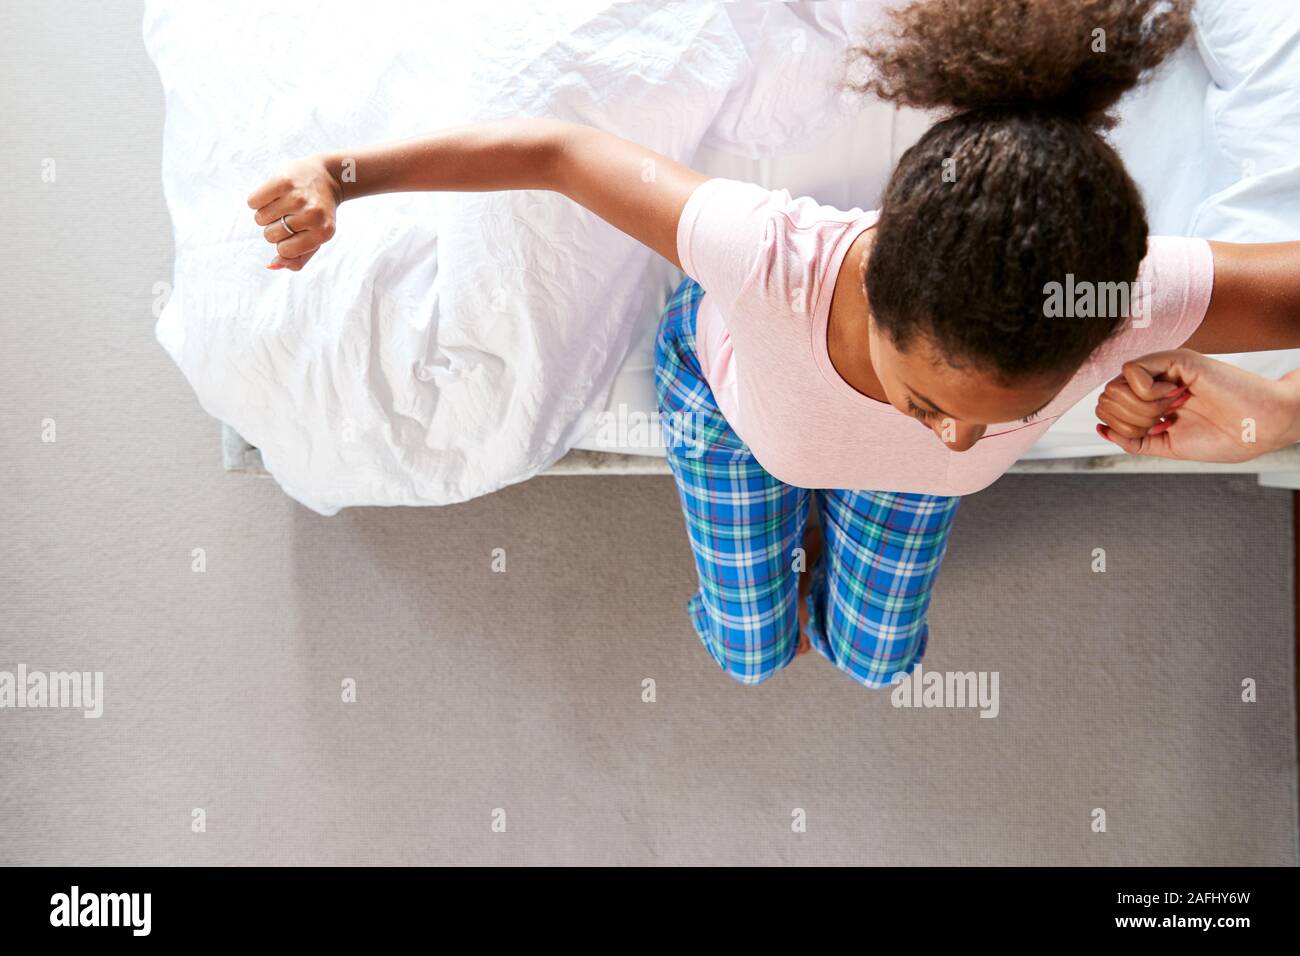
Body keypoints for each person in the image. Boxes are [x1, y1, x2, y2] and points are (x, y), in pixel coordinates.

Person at [244, 0, 1300, 688]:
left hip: (883, 485)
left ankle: (828, 561)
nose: (951, 435)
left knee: (876, 661)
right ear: (874, 273)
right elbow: (556, 151)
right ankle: (766, 579)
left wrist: (1280, 413)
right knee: (749, 655)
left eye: (996, 418)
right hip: (732, 413)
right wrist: (340, 177)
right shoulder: (766, 253)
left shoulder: (1118, 298)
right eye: (928, 398)